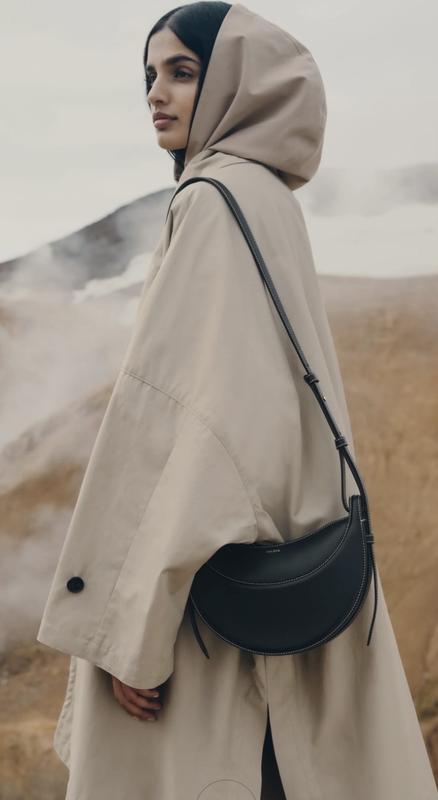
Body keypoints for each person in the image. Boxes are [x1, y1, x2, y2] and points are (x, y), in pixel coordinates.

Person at [36, 3, 438, 799]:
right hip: (293, 590)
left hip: (215, 622)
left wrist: (132, 630)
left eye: (183, 72)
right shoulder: (268, 197)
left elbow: (188, 428)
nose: (157, 93)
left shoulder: (211, 201)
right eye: (150, 75)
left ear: (236, 83)